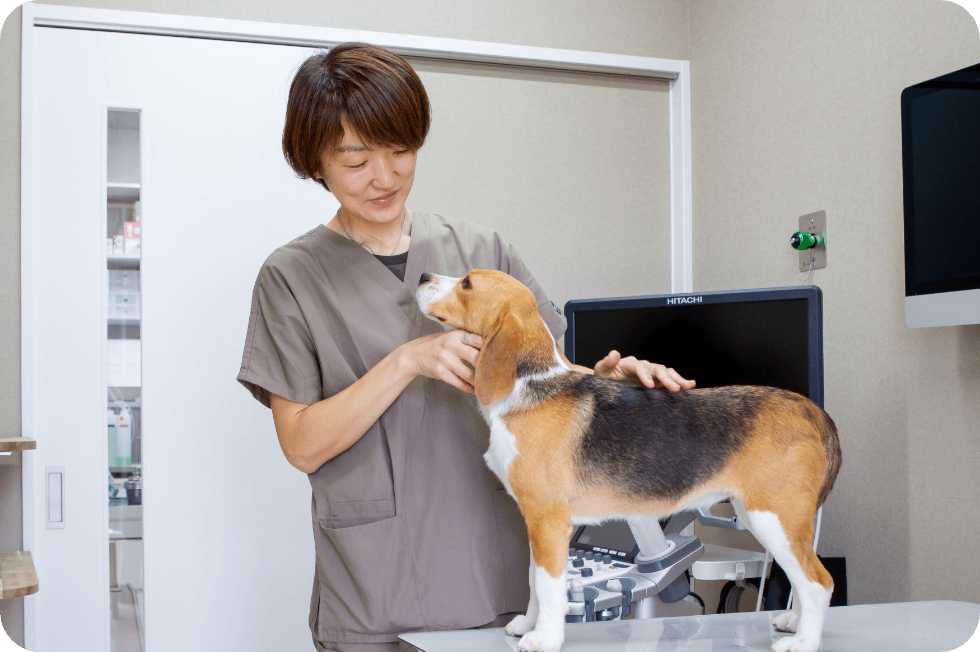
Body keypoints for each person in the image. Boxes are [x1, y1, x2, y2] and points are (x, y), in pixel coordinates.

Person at [237, 42, 695, 652]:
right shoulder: (290, 277)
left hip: (499, 579)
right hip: (377, 588)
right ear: (314, 161)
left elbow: (550, 382)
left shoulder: (482, 253)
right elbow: (300, 444)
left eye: (401, 151)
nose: (385, 176)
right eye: (356, 160)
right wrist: (406, 362)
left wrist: (612, 381)